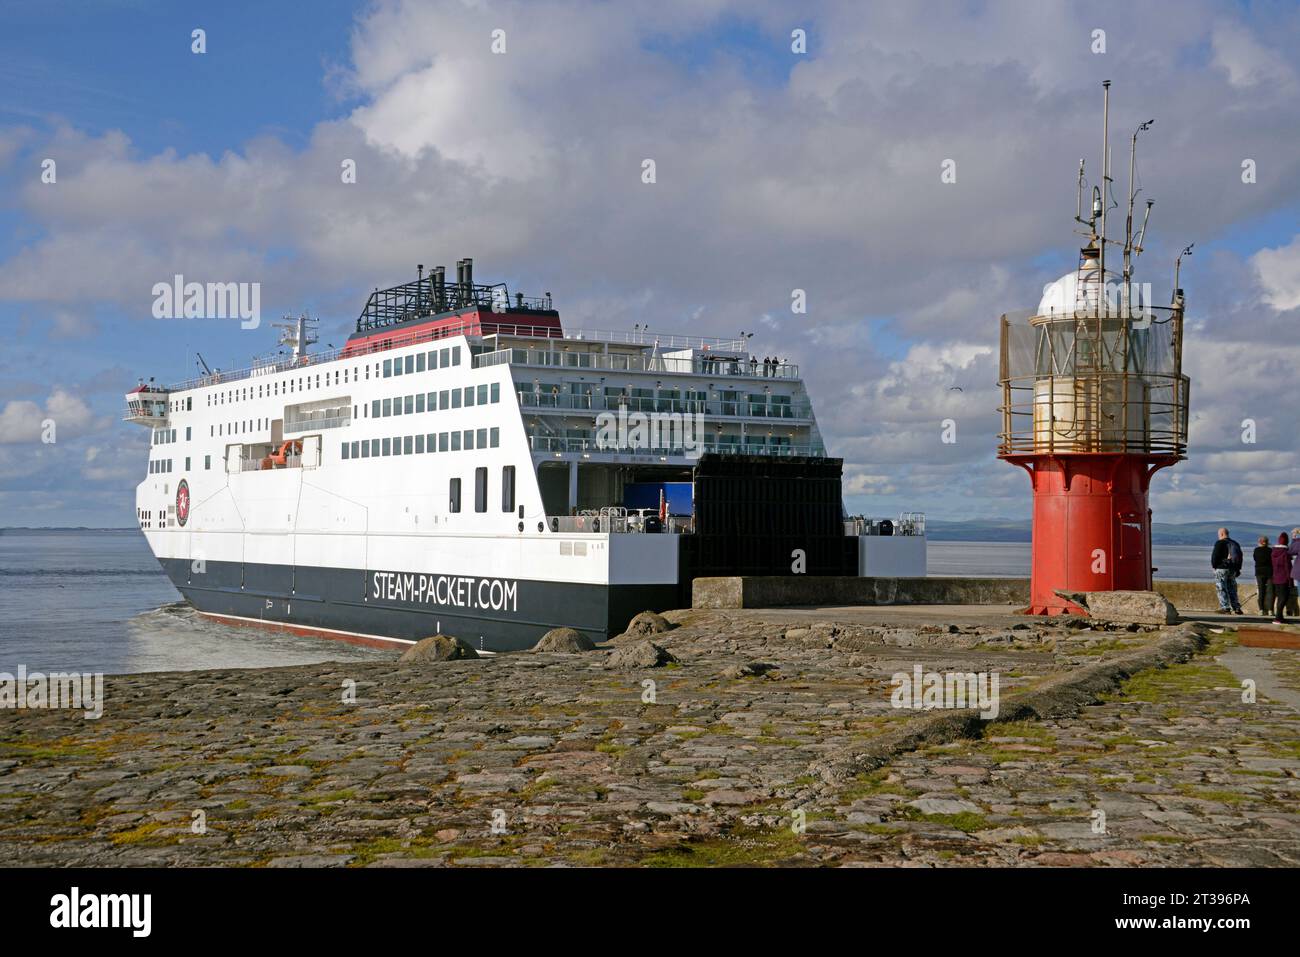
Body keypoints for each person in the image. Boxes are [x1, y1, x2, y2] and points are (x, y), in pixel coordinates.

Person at [1210, 527, 1244, 615]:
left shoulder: (1220, 543)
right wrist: (1238, 569)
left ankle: (1225, 608)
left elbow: (1215, 556)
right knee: (1232, 588)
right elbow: (1240, 557)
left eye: (1218, 535)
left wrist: (1214, 566)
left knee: (1221, 588)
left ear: (1221, 534)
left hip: (1221, 568)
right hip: (1232, 569)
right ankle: (1236, 608)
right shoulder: (1235, 543)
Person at [1271, 532, 1294, 625]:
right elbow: (1288, 568)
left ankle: (1280, 617)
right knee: (1283, 598)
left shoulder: (1273, 552)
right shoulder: (1286, 553)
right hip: (1284, 578)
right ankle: (1277, 618)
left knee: (1280, 598)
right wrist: (1291, 581)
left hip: (1276, 578)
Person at [1253, 535, 1274, 616]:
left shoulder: (1256, 550)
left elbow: (1255, 558)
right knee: (1270, 592)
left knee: (1261, 591)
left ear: (1259, 542)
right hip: (1269, 572)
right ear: (1267, 542)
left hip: (1259, 572)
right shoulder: (1270, 550)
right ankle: (1270, 610)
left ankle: (1261, 610)